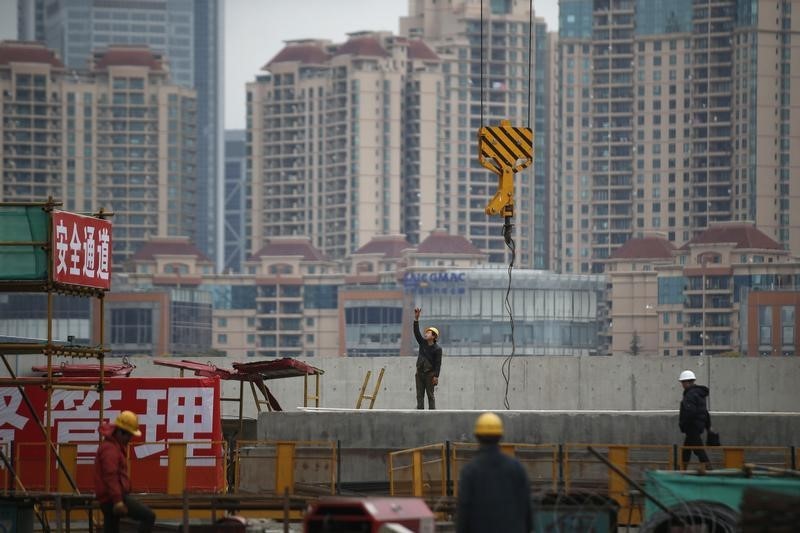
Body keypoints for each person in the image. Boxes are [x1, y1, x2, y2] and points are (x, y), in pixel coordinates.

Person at [456, 412, 532, 533]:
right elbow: (527, 512)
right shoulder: (517, 468)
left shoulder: (469, 472)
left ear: (477, 436)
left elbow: (464, 515)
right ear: (500, 436)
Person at [94, 410, 156, 533]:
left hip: (109, 498)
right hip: (113, 498)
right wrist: (118, 501)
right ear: (121, 433)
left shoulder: (112, 447)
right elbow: (110, 476)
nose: (130, 439)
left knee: (111, 529)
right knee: (148, 516)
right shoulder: (110, 449)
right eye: (129, 435)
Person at [678, 370, 712, 469]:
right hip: (697, 426)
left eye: (683, 382)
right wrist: (708, 426)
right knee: (686, 450)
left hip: (692, 427)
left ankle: (709, 470)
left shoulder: (690, 395)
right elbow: (704, 412)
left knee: (699, 450)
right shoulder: (699, 394)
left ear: (688, 382)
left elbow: (690, 412)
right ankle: (682, 470)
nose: (682, 385)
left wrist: (683, 424)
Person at [413, 306, 442, 409]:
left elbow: (438, 364)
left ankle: (432, 415)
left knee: (430, 395)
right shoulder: (423, 343)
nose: (426, 334)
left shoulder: (437, 349)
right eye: (426, 332)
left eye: (428, 333)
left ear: (434, 336)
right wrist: (416, 319)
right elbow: (416, 333)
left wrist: (436, 376)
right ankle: (420, 413)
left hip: (430, 374)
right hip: (419, 373)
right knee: (419, 396)